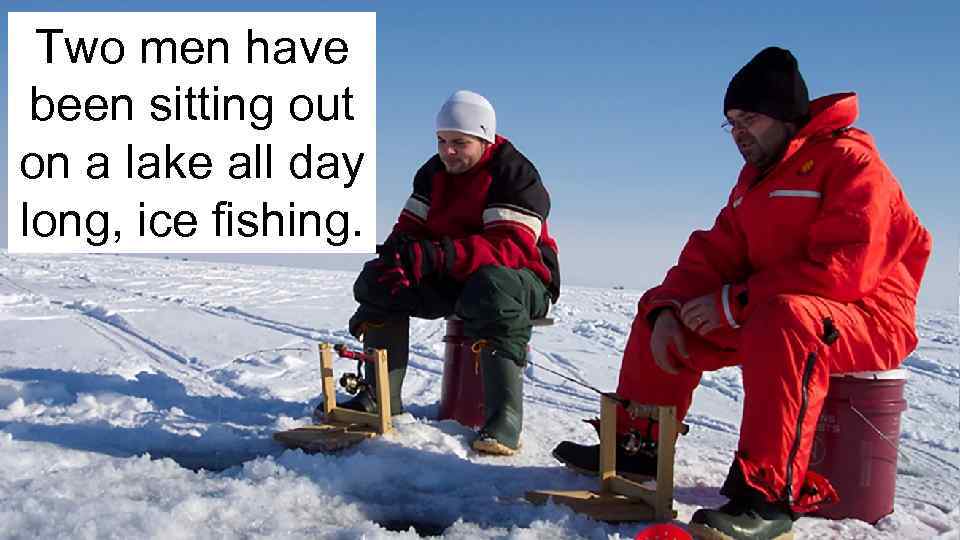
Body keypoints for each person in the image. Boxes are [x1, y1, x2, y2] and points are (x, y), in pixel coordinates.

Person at [552, 47, 931, 539]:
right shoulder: (756, 182)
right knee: (659, 310)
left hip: (868, 315)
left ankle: (770, 496)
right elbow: (712, 253)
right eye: (730, 122)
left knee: (786, 317)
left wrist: (734, 302)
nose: (738, 132)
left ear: (785, 116)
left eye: (749, 118)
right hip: (773, 309)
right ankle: (636, 447)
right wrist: (672, 306)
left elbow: (846, 269)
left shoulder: (853, 164)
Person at [333, 90, 561, 456]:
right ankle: (380, 400)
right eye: (442, 141)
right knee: (381, 278)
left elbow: (510, 247)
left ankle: (503, 420)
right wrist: (401, 255)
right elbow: (410, 226)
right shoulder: (433, 172)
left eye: (459, 142)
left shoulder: (513, 173)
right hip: (458, 274)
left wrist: (440, 255)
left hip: (524, 279)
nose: (448, 151)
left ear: (484, 139)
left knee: (491, 285)